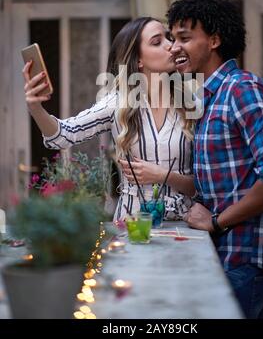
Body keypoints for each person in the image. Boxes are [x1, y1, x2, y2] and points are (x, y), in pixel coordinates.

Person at [167, 0, 263, 319]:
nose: (173, 47)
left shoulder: (242, 87)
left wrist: (215, 222)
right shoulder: (211, 97)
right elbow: (219, 181)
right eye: (171, 38)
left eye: (184, 37)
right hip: (226, 251)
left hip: (245, 253)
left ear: (213, 40)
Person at [22, 17, 195, 221]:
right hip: (132, 226)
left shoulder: (191, 101)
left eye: (169, 38)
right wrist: (35, 107)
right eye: (157, 42)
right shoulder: (117, 103)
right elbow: (63, 135)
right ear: (138, 60)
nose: (172, 46)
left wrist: (161, 175)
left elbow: (204, 184)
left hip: (185, 225)